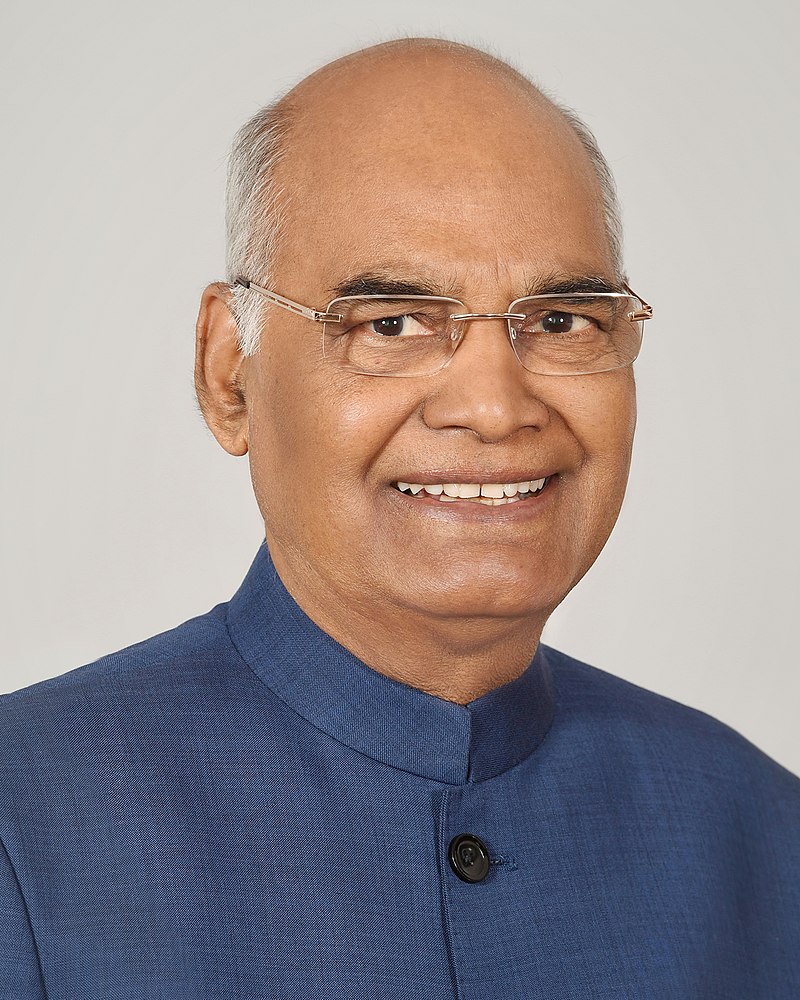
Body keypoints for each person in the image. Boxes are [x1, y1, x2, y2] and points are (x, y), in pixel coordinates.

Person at [1, 37, 797, 999]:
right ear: (229, 376)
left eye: (560, 321)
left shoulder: (757, 832)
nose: (496, 408)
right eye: (392, 323)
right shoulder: (26, 825)